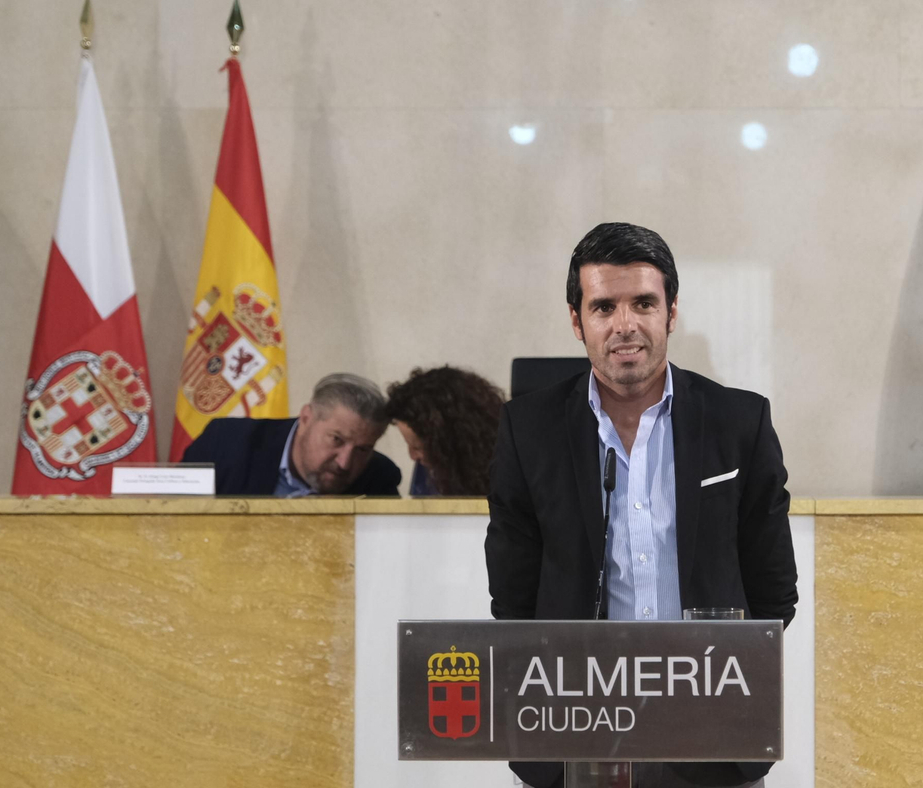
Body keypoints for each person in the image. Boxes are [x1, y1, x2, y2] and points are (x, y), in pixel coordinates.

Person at [485, 222, 797, 788]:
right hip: (571, 735)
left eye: (643, 303)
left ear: (671, 312)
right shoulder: (527, 431)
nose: (625, 325)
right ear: (577, 322)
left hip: (713, 739)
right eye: (604, 307)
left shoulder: (738, 423)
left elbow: (774, 591)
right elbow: (513, 599)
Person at [182, 372, 400, 497]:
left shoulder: (379, 479)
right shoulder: (228, 443)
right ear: (306, 418)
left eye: (362, 449)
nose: (345, 463)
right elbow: (169, 522)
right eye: (337, 440)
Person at [384, 365, 505, 496]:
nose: (412, 456)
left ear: (451, 443)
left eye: (418, 447)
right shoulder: (430, 470)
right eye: (409, 445)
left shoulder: (516, 475)